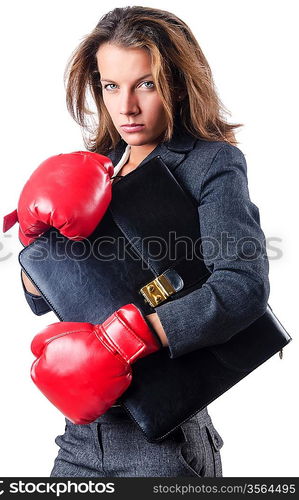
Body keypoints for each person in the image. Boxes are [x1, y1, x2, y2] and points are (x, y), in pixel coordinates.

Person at [18, 6, 270, 477]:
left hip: (164, 438)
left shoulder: (209, 164)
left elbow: (243, 286)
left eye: (146, 84)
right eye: (112, 86)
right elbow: (49, 298)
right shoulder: (95, 166)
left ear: (175, 83)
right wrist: (35, 247)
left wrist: (130, 339)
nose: (126, 106)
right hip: (81, 435)